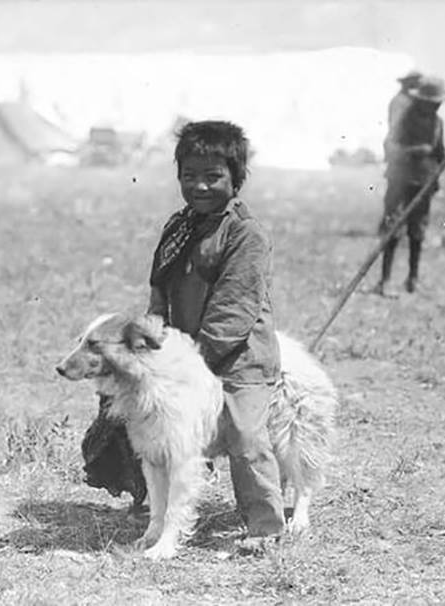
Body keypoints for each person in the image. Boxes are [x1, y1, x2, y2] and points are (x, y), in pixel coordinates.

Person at [147, 120, 284, 553]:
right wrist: (154, 341)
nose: (200, 186)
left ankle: (265, 528)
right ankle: (156, 510)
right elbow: (159, 286)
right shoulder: (179, 226)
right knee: (154, 425)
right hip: (188, 352)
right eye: (190, 176)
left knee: (245, 437)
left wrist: (192, 365)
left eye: (213, 176)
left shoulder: (245, 234)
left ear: (235, 178)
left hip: (239, 358)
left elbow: (233, 309)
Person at [373, 75, 445, 295]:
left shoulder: (438, 123)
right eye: (432, 102)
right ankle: (385, 280)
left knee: (418, 230)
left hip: (425, 182)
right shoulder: (405, 118)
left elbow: (439, 152)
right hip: (401, 180)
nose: (436, 106)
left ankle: (412, 279)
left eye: (438, 103)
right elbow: (390, 146)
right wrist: (414, 151)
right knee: (393, 228)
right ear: (422, 101)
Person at [388, 70, 423, 136]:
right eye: (412, 83)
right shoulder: (399, 101)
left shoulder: (413, 100)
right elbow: (397, 125)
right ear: (405, 83)